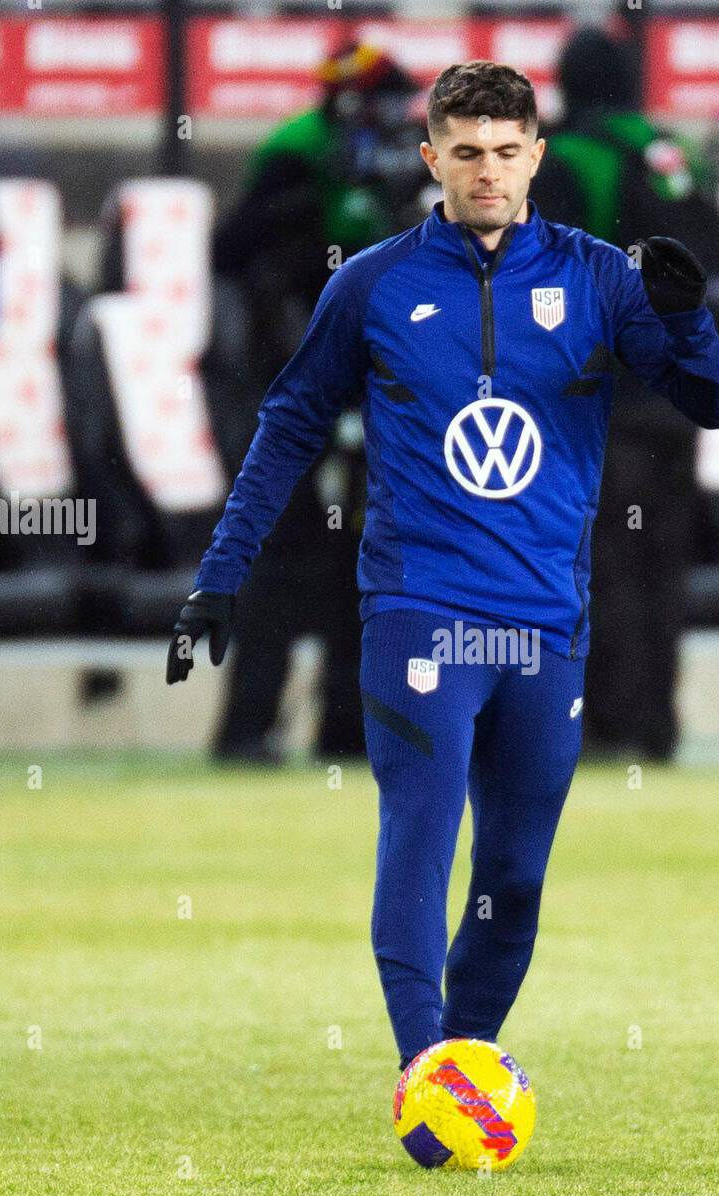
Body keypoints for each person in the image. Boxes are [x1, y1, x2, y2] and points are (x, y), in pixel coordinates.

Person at [166, 62, 719, 1074]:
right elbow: (286, 428)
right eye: (465, 153)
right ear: (432, 156)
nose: (487, 173)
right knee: (420, 835)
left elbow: (715, 403)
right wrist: (221, 574)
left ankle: (462, 1060)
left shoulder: (598, 277)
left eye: (505, 153)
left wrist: (689, 320)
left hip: (544, 619)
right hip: (415, 609)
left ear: (536, 157)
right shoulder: (374, 282)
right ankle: (422, 1069)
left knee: (512, 875)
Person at [211, 42, 429, 762]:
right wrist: (311, 202)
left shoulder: (404, 171)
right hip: (287, 388)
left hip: (370, 391)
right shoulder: (298, 154)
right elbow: (230, 250)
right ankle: (248, 727)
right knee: (280, 553)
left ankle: (345, 727)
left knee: (363, 558)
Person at [534, 27, 719, 760]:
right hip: (678, 401)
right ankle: (657, 726)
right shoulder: (675, 156)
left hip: (600, 407)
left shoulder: (567, 158)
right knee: (663, 561)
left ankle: (608, 727)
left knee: (600, 564)